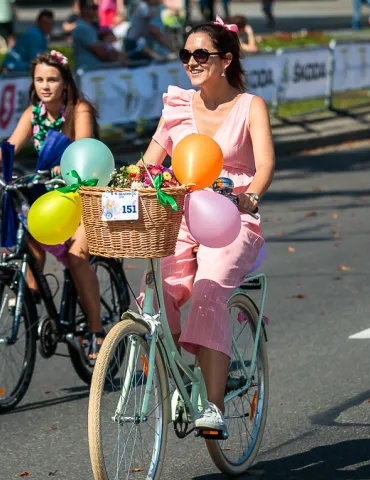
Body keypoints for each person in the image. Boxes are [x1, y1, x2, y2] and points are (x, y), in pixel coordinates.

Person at [138, 16, 274, 436]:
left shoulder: (250, 106)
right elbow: (149, 163)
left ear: (225, 59)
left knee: (208, 290)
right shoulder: (177, 105)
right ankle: (182, 376)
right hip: (180, 212)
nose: (191, 62)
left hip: (232, 215)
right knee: (160, 294)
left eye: (201, 54)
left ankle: (212, 406)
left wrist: (252, 193)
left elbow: (265, 163)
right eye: (186, 55)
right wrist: (123, 185)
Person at [0, 50, 106, 363]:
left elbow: (83, 147)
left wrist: (67, 165)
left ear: (65, 82)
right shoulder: (34, 113)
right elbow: (11, 145)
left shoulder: (79, 109)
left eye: (52, 79)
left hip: (83, 191)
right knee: (29, 240)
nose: (46, 86)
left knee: (76, 256)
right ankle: (30, 297)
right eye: (40, 79)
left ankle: (97, 331)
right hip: (51, 196)